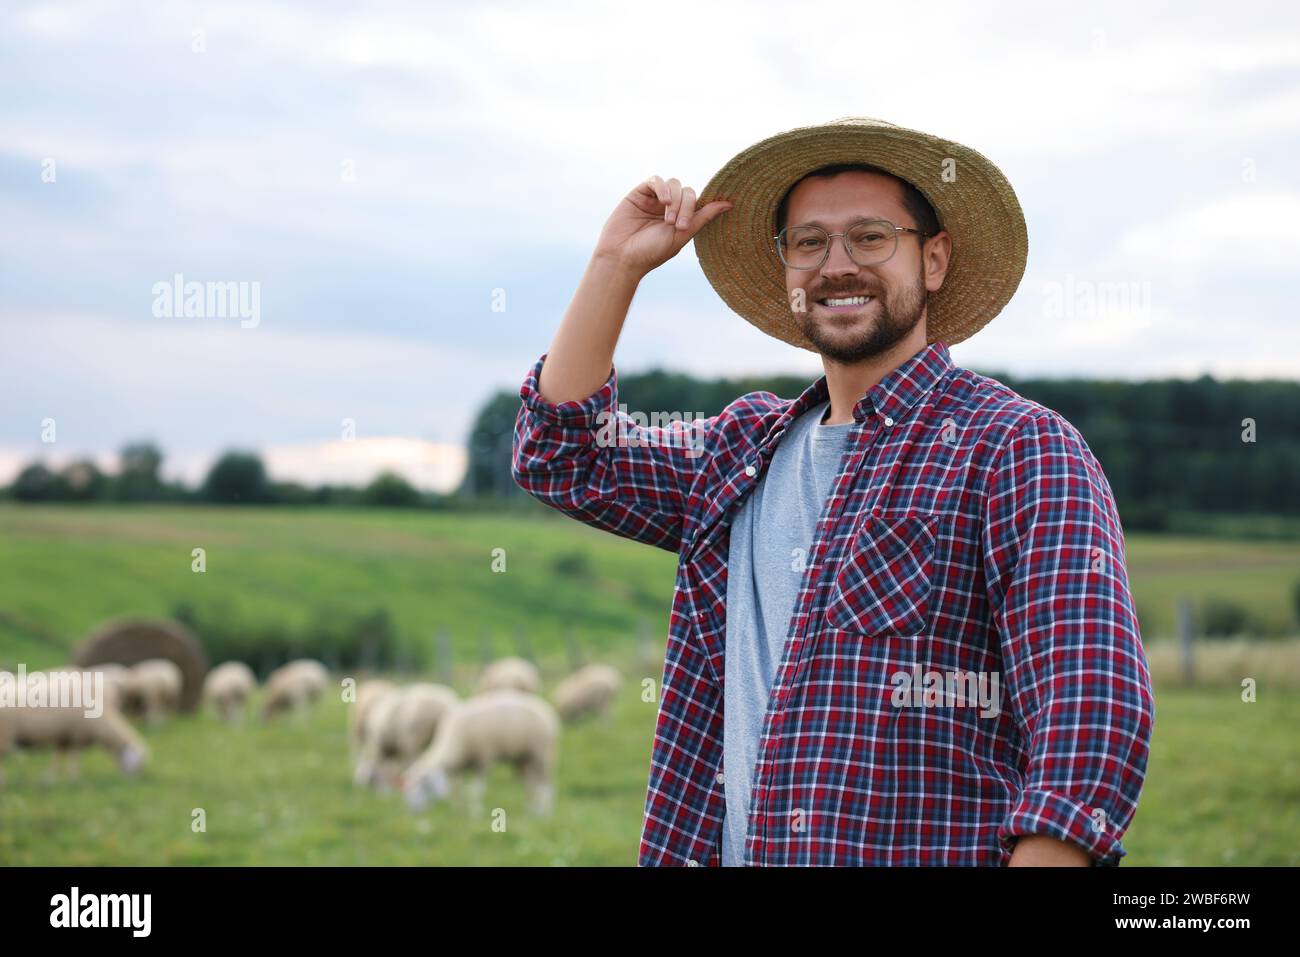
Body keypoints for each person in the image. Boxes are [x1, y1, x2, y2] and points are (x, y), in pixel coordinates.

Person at [512, 117, 1155, 866]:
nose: (836, 265)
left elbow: (1089, 704)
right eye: (809, 243)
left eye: (872, 237)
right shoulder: (737, 450)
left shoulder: (1016, 447)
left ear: (935, 257)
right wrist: (614, 265)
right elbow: (564, 457)